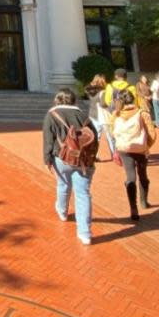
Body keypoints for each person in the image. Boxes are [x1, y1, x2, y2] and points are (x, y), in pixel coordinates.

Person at [42, 88, 98, 245]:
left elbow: (48, 139)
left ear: (57, 100)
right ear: (74, 100)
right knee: (83, 194)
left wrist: (47, 159)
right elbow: (94, 139)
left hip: (62, 157)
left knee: (63, 185)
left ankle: (62, 211)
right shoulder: (83, 115)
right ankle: (85, 233)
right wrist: (92, 158)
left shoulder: (52, 115)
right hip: (83, 160)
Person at [111, 87, 156, 221]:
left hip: (124, 148)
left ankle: (133, 207)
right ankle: (143, 201)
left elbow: (113, 132)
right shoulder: (142, 113)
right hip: (140, 149)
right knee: (143, 175)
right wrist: (146, 146)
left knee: (130, 177)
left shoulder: (116, 114)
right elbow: (152, 133)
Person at [85, 74, 114, 160]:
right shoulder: (103, 92)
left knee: (95, 137)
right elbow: (103, 104)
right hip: (103, 116)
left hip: (93, 114)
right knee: (110, 137)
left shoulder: (90, 92)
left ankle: (93, 155)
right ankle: (114, 154)